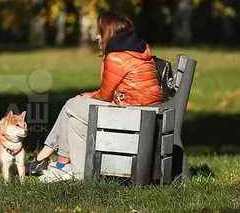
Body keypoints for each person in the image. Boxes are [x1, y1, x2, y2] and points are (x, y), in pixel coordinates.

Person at [26, 11, 162, 182]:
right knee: (75, 120)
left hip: (132, 114)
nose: (97, 37)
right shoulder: (136, 49)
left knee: (71, 105)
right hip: (140, 110)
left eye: (100, 32)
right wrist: (89, 95)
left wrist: (88, 96)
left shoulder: (116, 57)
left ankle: (47, 160)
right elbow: (111, 91)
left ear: (109, 32)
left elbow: (105, 96)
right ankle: (74, 171)